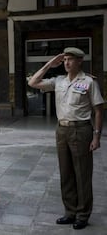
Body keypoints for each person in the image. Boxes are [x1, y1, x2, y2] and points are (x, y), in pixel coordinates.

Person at [28, 47, 104, 230]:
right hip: (62, 130)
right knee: (66, 173)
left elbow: (98, 110)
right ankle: (70, 212)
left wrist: (97, 136)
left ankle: (83, 214)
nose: (67, 63)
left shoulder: (89, 82)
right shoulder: (59, 81)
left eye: (70, 59)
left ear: (79, 61)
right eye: (65, 60)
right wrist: (48, 64)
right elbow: (33, 82)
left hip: (81, 129)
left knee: (82, 174)